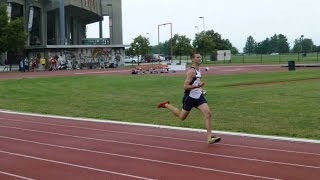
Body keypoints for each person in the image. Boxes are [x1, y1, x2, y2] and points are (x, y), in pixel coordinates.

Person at [157, 52, 221, 144]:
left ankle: (210, 137)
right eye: (198, 57)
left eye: (200, 57)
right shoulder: (191, 71)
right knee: (182, 117)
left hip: (198, 97)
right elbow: (185, 86)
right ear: (193, 59)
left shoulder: (199, 70)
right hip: (189, 98)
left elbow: (196, 83)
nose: (200, 59)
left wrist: (201, 90)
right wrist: (197, 86)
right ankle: (166, 104)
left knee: (208, 114)